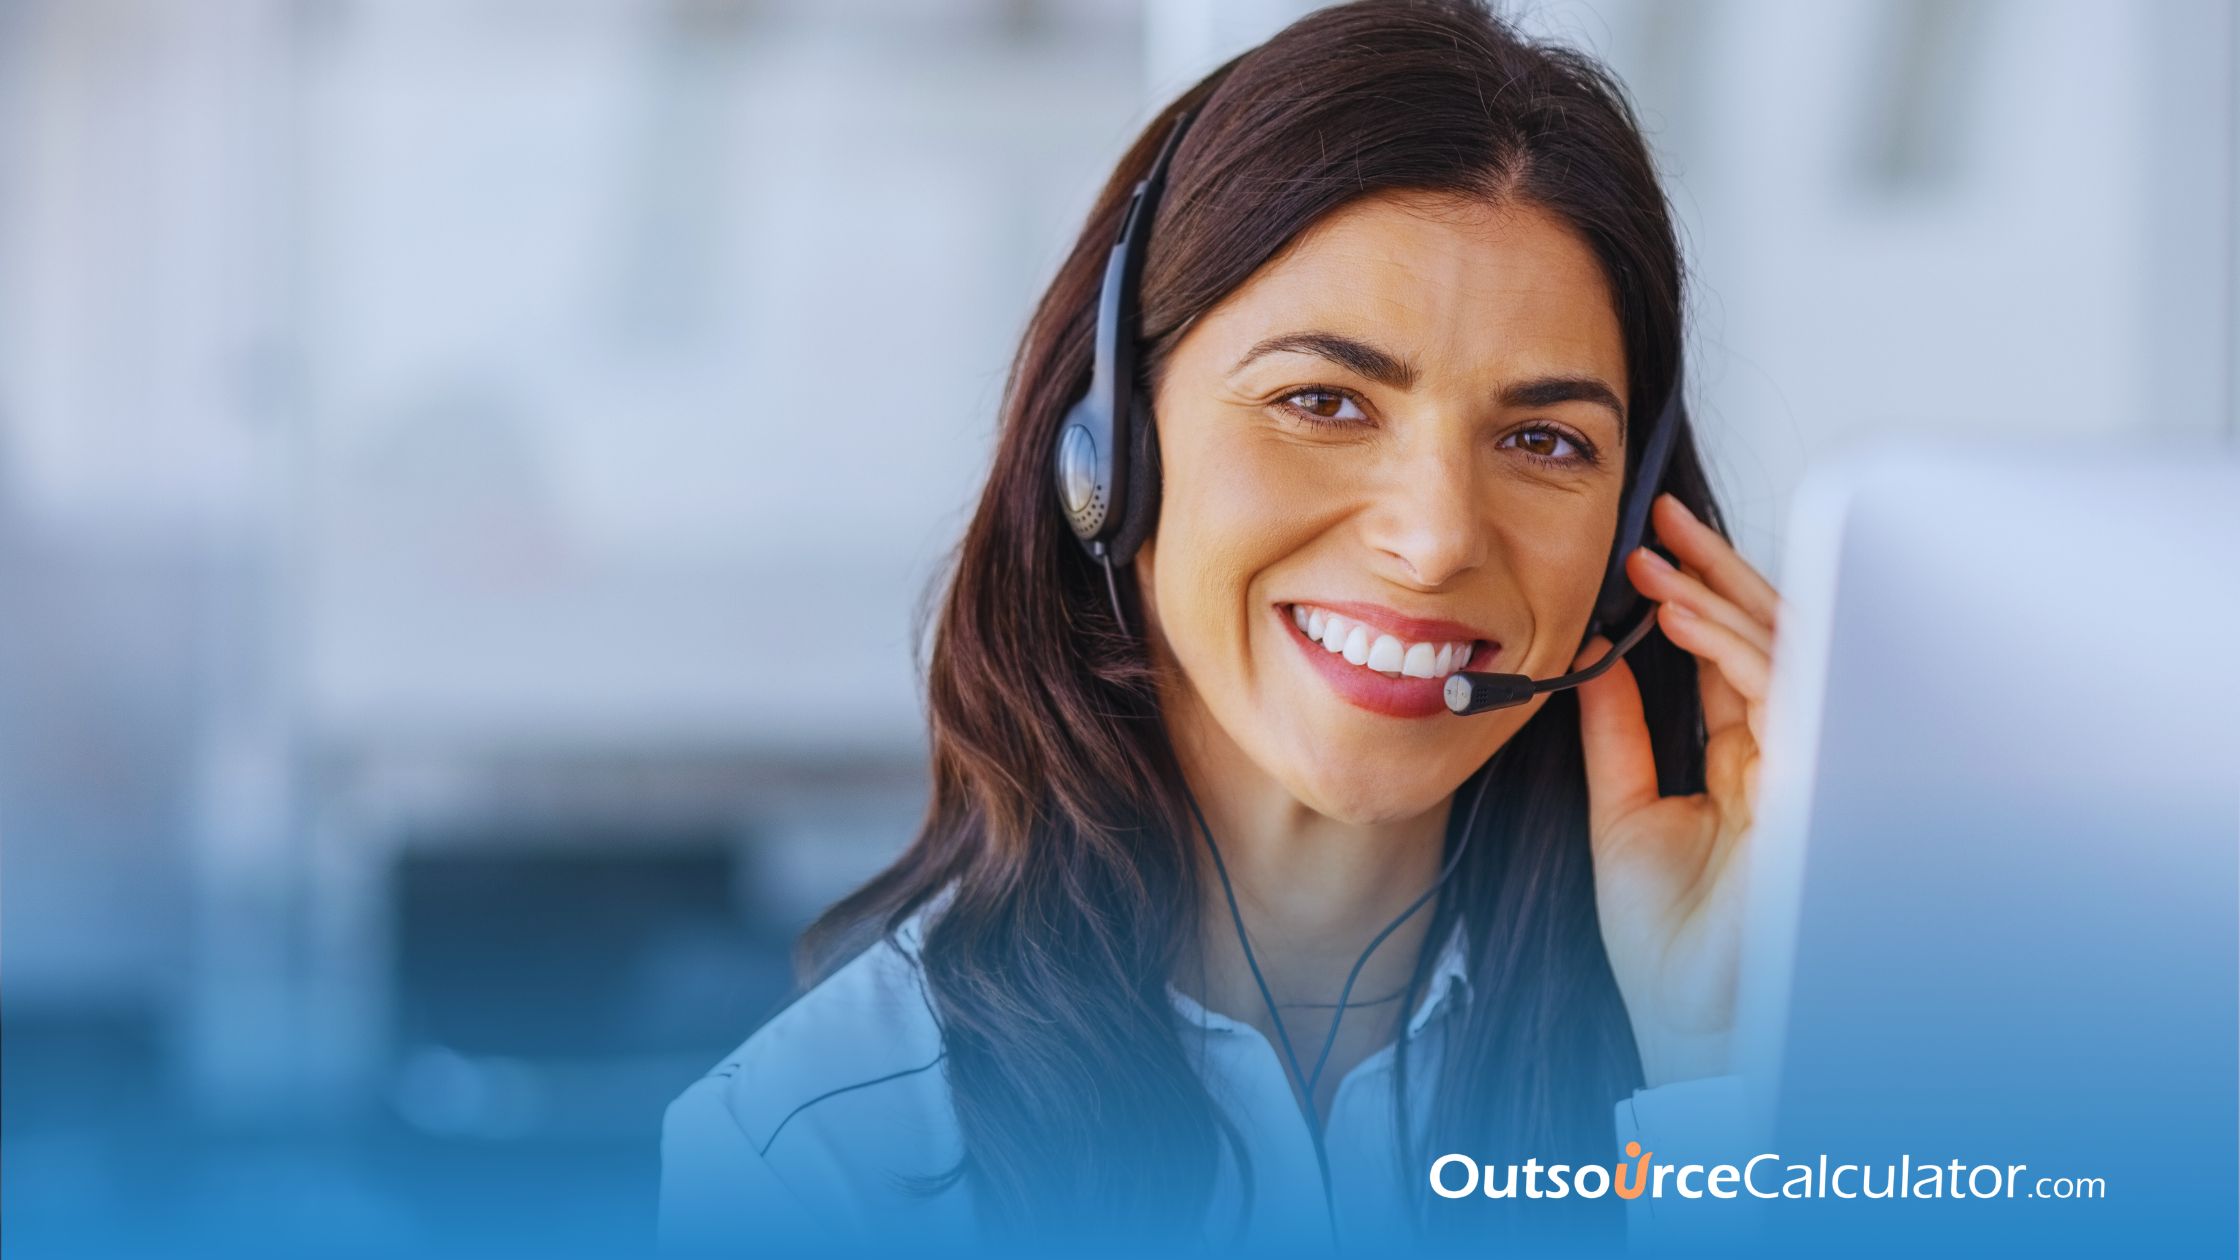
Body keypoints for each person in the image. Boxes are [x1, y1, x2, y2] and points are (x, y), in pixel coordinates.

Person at [662, 1, 1776, 1251]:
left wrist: (1714, 1068)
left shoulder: (1755, 1074)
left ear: (1631, 545)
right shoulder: (821, 1145)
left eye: (1541, 440)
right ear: (1110, 453)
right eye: (1321, 400)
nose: (1435, 537)